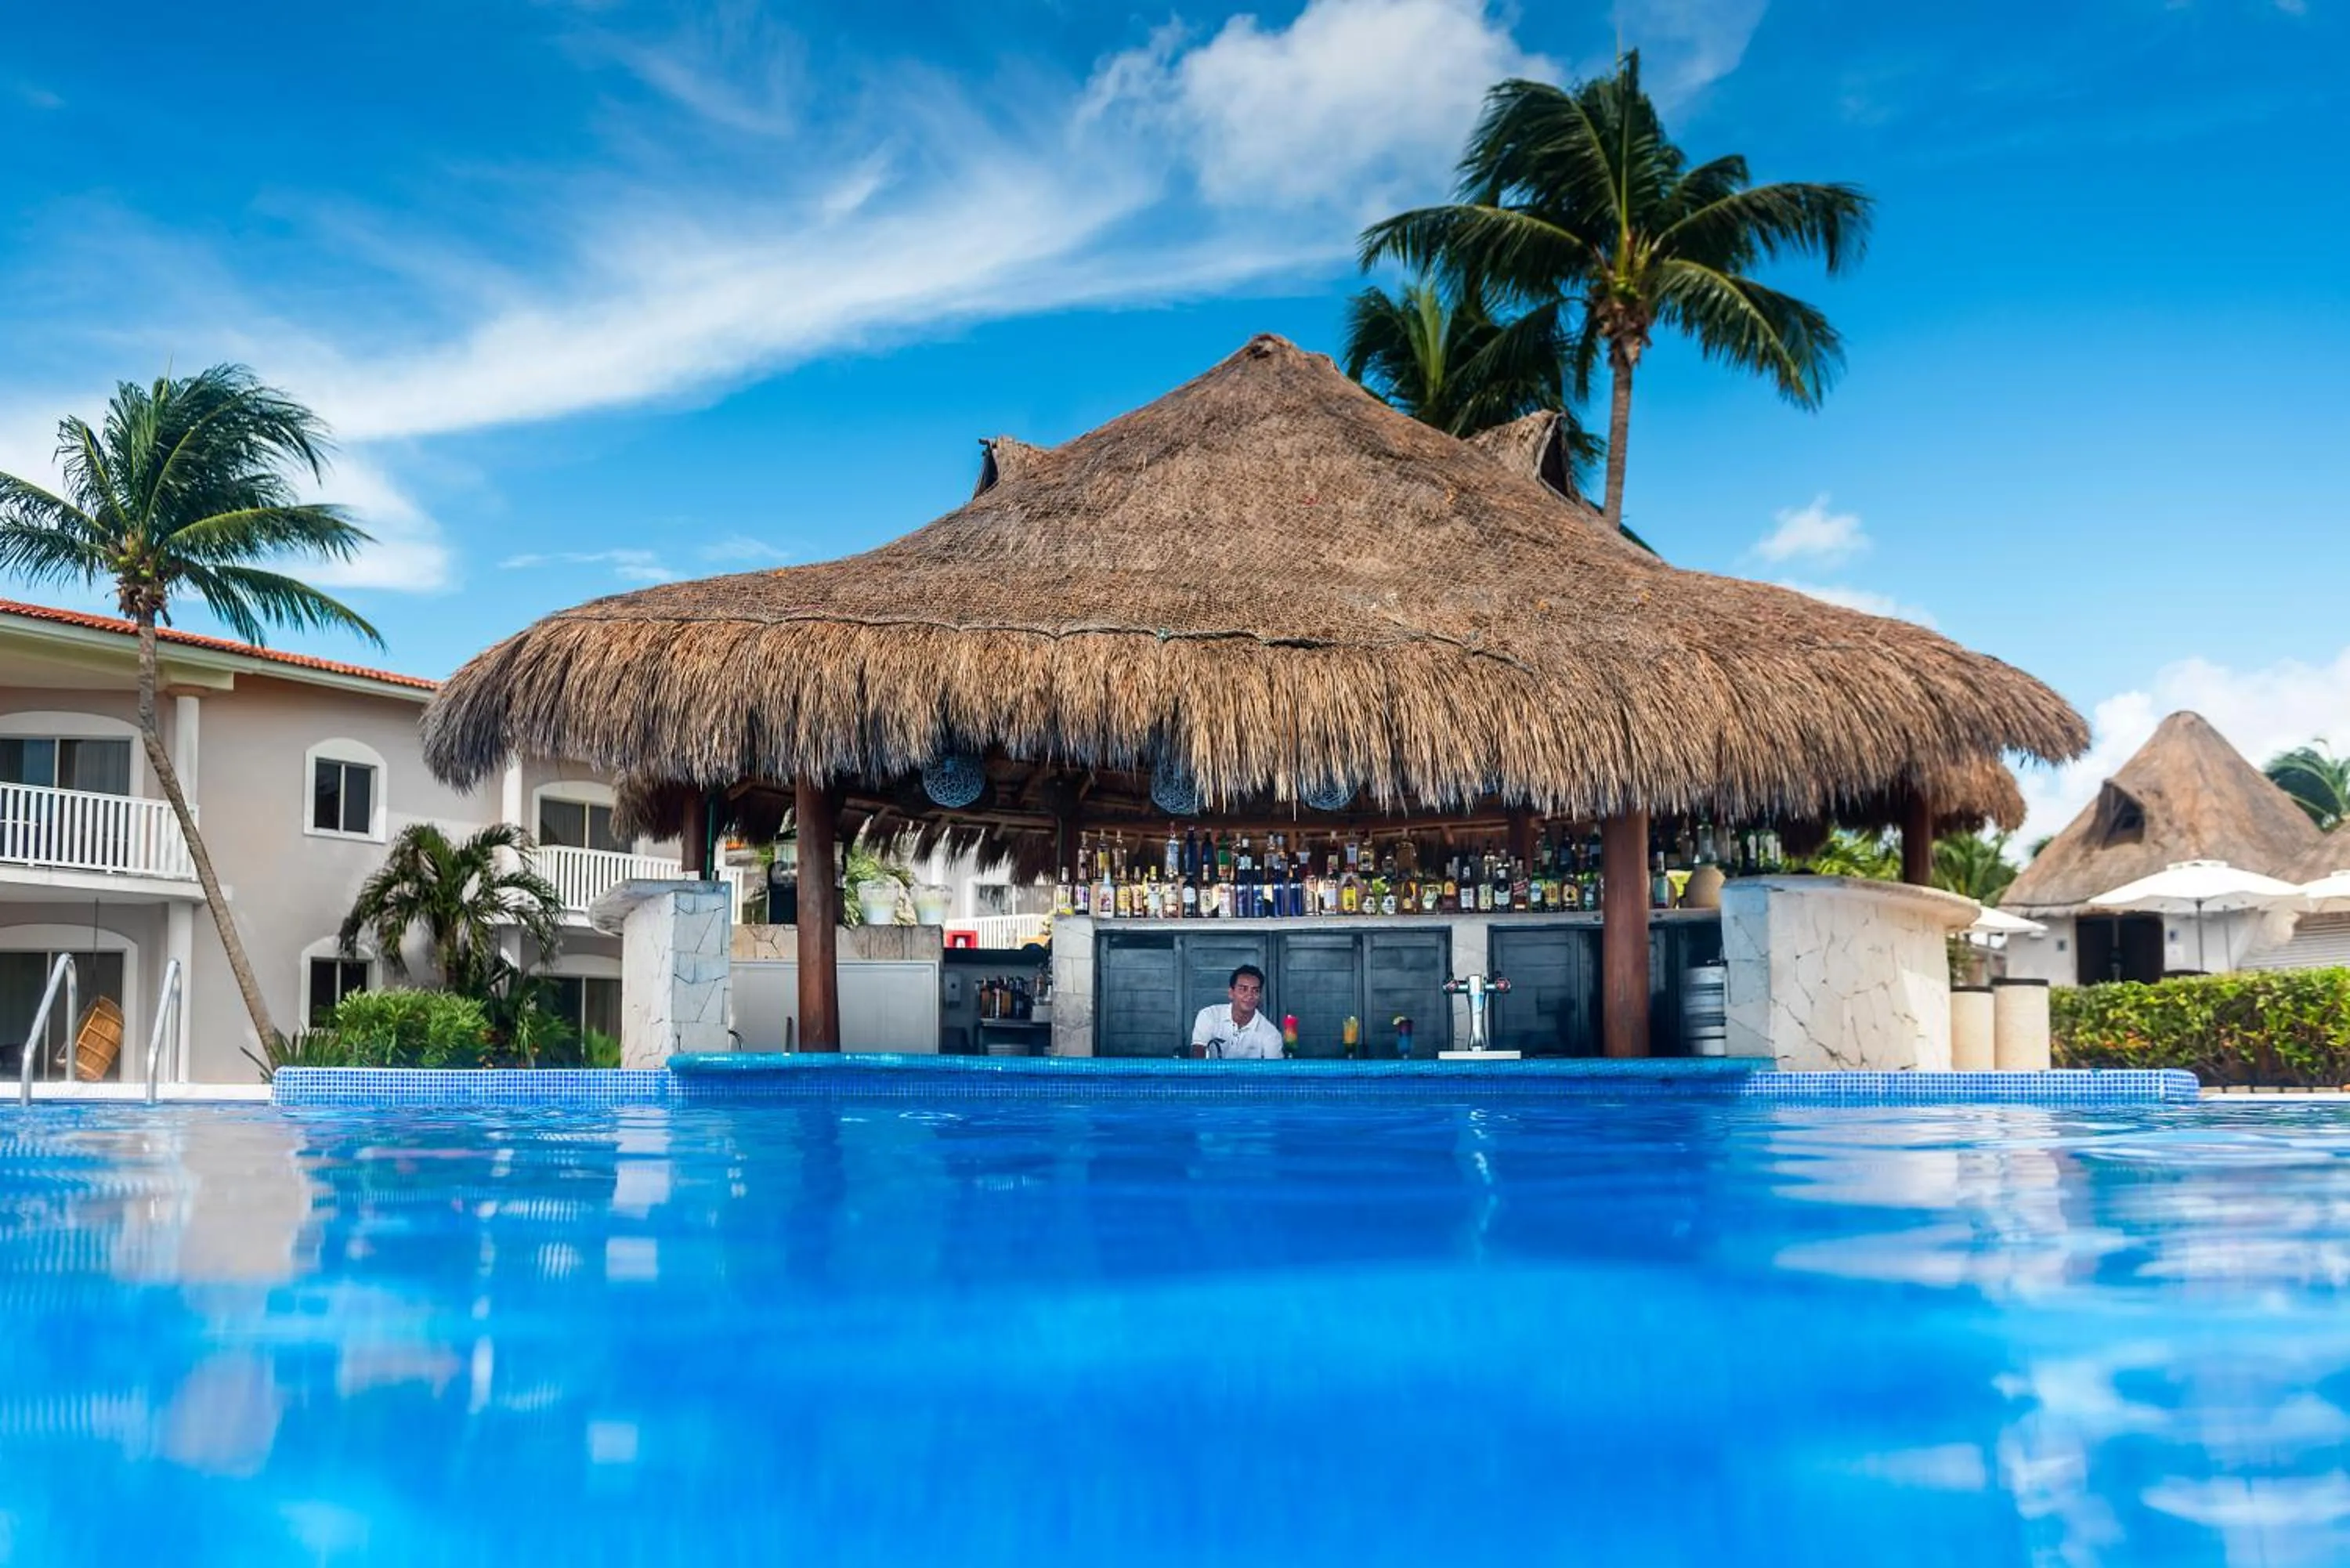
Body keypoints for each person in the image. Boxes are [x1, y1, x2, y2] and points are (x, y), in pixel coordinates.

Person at [1191, 964, 1282, 1059]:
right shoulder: (1209, 1015)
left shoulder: (1271, 1034)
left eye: (1255, 991)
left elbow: (1273, 1072)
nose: (1250, 996)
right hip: (1211, 1074)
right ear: (1231, 993)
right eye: (1243, 989)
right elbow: (1198, 1052)